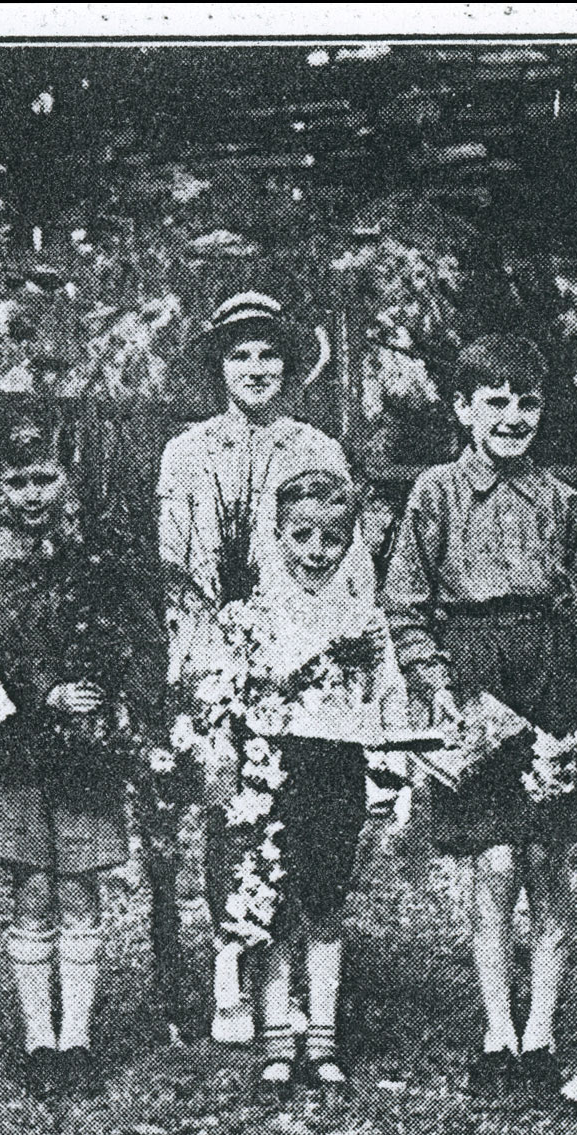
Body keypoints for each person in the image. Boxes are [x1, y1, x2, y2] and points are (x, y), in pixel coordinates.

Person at [381, 334, 577, 1097]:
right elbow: (404, 601)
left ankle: (540, 1033)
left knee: (544, 858)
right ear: (462, 408)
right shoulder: (435, 492)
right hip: (474, 676)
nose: (511, 417)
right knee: (493, 861)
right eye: (494, 401)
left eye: (526, 402)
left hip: (547, 676)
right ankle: (496, 1031)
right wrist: (434, 680)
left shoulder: (561, 502)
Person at [156, 291, 369, 1046]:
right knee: (230, 802)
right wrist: (205, 663)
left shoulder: (317, 449)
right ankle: (232, 973)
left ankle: (299, 980)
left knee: (298, 810)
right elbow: (177, 569)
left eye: (268, 354)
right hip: (216, 646)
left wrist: (315, 655)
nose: (255, 368)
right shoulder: (187, 453)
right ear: (218, 366)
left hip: (299, 653)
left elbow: (338, 565)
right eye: (239, 354)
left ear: (288, 366)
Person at [202, 469, 413, 1094]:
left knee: (325, 902)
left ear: (351, 542)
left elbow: (387, 698)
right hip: (272, 771)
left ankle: (321, 1040)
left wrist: (391, 772)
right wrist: (226, 751)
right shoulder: (255, 617)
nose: (317, 552)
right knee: (273, 900)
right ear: (279, 534)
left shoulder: (363, 618)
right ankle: (276, 1038)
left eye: (333, 539)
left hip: (337, 770)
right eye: (303, 536)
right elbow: (224, 694)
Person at [0, 414, 145, 1100]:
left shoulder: (93, 558)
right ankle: (38, 1039)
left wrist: (104, 691)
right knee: (31, 886)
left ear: (67, 481)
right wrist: (43, 694)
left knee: (78, 885)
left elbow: (125, 637)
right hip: (19, 747)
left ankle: (78, 1039)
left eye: (44, 478)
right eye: (17, 481)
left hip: (83, 749)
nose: (32, 494)